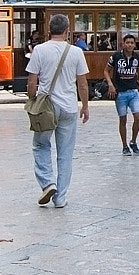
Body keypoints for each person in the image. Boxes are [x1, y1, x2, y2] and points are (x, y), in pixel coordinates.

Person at [26, 14, 90, 209]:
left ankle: (48, 183)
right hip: (69, 107)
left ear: (48, 30)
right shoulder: (76, 52)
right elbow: (82, 84)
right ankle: (60, 197)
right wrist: (85, 106)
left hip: (47, 107)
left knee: (40, 145)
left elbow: (32, 81)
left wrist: (32, 101)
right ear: (67, 30)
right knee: (65, 153)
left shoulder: (39, 50)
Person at [105, 34, 139, 155]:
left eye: (132, 43)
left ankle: (133, 141)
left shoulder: (137, 58)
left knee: (137, 116)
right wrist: (110, 84)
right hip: (120, 92)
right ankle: (124, 145)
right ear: (123, 43)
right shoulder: (116, 56)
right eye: (128, 42)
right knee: (123, 119)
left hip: (133, 91)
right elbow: (106, 70)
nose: (130, 45)